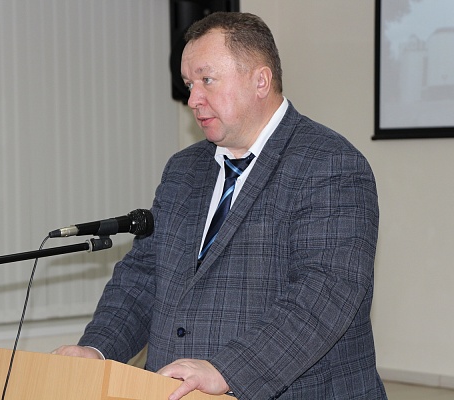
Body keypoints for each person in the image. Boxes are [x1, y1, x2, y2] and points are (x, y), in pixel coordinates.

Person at [53, 11, 387, 400]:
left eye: (207, 80)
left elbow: (325, 293)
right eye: (188, 84)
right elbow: (144, 275)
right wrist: (97, 349)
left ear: (260, 81)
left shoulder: (330, 164)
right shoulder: (183, 169)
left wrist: (227, 370)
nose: (193, 99)